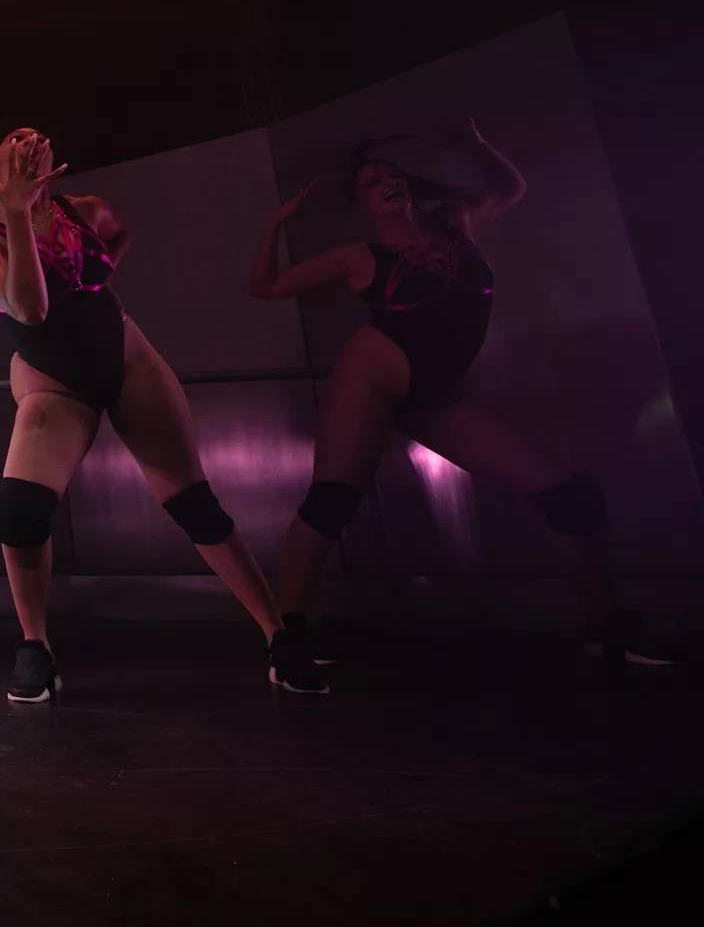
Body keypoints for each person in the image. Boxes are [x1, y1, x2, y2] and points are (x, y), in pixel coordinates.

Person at [250, 119, 671, 666]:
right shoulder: (358, 256)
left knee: (573, 495)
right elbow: (266, 287)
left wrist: (476, 146)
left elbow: (510, 188)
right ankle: (287, 635)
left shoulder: (455, 222)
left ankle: (605, 626)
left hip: (440, 395)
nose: (387, 182)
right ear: (362, 203)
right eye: (373, 181)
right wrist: (276, 223)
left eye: (392, 174)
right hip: (372, 374)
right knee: (333, 500)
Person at [0, 127, 328, 700]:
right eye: (14, 143)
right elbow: (30, 310)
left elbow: (117, 236)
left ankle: (278, 635)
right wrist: (18, 210)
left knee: (194, 503)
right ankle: (35, 645)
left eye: (36, 138)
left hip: (125, 357)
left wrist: (98, 277)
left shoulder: (86, 210)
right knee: (20, 513)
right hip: (54, 381)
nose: (29, 142)